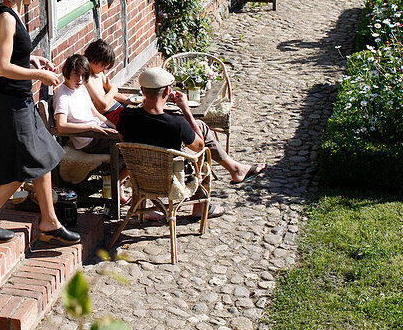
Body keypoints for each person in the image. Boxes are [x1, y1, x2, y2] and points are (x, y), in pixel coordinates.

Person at [0, 0, 80, 246]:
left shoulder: (15, 12)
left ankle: (49, 221)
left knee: (42, 157)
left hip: (20, 100)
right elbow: (2, 66)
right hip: (8, 105)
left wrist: (32, 59)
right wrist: (39, 74)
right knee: (16, 172)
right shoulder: (6, 17)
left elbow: (13, 54)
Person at [117, 66, 266, 217]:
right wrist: (186, 109)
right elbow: (200, 146)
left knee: (196, 129)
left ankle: (235, 169)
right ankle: (202, 206)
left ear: (142, 91)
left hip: (140, 175)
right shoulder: (177, 124)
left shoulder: (125, 116)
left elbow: (125, 142)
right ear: (168, 92)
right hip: (171, 179)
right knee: (203, 138)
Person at [53, 54, 118, 151]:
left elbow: (95, 113)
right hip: (89, 139)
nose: (80, 79)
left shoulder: (81, 87)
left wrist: (114, 126)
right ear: (66, 72)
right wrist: (91, 127)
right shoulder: (63, 96)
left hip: (100, 131)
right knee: (129, 143)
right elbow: (61, 126)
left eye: (83, 75)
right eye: (76, 74)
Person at [83, 39, 134, 127]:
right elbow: (103, 105)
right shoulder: (86, 79)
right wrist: (113, 89)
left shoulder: (99, 73)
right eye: (103, 65)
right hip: (110, 115)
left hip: (120, 108)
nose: (105, 69)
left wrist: (130, 101)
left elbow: (112, 94)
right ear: (95, 59)